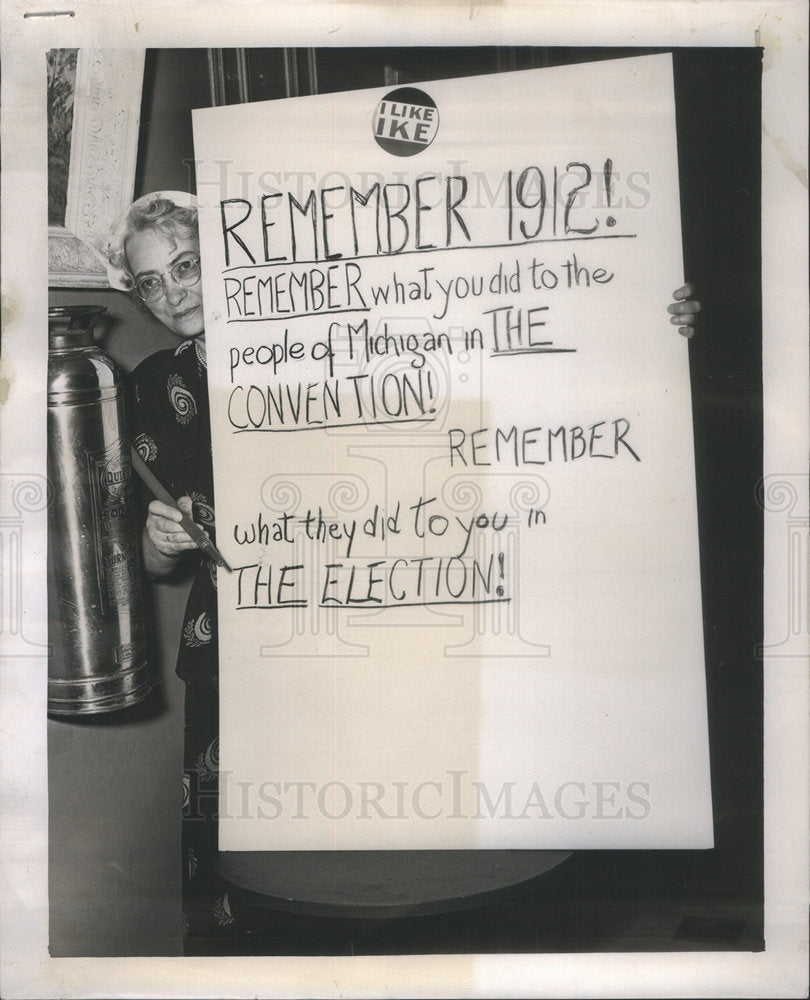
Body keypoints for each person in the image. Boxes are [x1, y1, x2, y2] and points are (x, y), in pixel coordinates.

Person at [107, 189, 701, 954]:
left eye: (187, 265)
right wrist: (164, 538)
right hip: (237, 655)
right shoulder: (155, 384)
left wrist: (649, 316)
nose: (173, 291)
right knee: (256, 891)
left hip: (379, 637)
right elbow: (157, 565)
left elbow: (517, 354)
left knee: (403, 868)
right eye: (151, 281)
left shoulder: (349, 333)